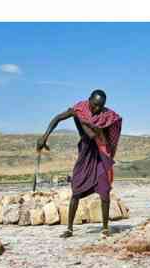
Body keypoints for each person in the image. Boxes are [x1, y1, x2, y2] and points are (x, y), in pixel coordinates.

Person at [37, 90, 122, 238]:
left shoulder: (108, 115)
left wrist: (100, 134)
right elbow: (58, 118)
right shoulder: (79, 110)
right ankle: (69, 229)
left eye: (100, 107)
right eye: (95, 105)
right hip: (85, 152)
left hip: (100, 153)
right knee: (76, 188)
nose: (97, 109)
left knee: (104, 189)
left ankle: (105, 228)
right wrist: (45, 136)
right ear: (89, 99)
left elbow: (114, 128)